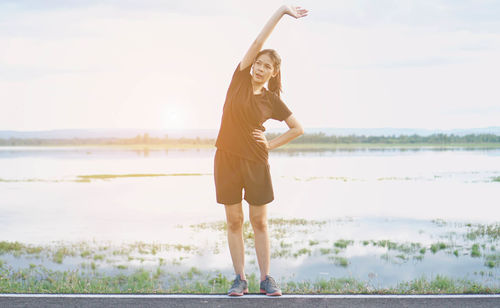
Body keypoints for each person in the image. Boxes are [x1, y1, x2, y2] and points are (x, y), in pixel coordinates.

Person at [214, 5, 308, 296]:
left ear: (273, 72)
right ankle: (239, 278)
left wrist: (269, 144)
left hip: (256, 161)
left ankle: (266, 278)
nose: (260, 68)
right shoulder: (240, 78)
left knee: (259, 221)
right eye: (258, 63)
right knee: (234, 221)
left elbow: (297, 128)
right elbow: (257, 42)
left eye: (267, 66)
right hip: (227, 158)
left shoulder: (271, 100)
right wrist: (281, 11)